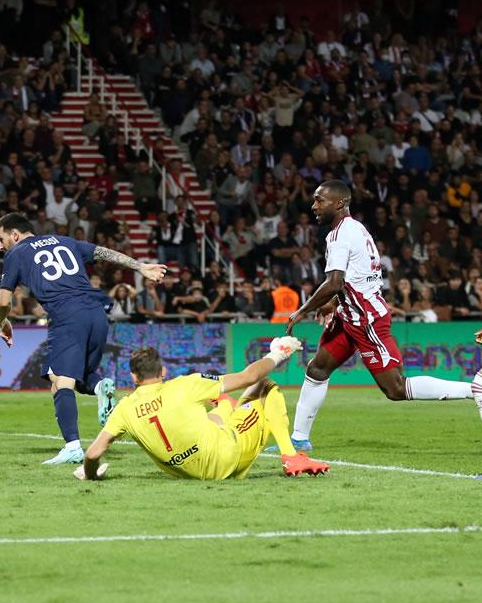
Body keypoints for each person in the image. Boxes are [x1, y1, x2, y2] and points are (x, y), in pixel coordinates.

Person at [281, 180, 482, 451]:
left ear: (339, 203)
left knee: (396, 389)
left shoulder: (340, 235)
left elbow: (335, 282)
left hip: (366, 319)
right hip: (349, 314)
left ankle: (474, 390)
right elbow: (356, 276)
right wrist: (334, 303)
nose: (313, 206)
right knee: (317, 369)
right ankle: (298, 440)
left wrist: (302, 311)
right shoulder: (356, 228)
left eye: (320, 200)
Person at [0, 212, 168, 465]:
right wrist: (141, 267)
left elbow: (4, 301)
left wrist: (3, 321)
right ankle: (99, 387)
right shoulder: (65, 241)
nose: (0, 245)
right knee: (69, 375)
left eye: (1, 238)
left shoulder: (16, 254)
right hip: (96, 314)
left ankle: (73, 447)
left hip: (66, 318)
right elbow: (105, 253)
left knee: (61, 380)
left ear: (15, 234)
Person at [76, 342, 329, 482]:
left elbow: (94, 452)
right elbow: (249, 376)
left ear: (133, 376)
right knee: (263, 386)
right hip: (227, 458)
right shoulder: (186, 384)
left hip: (193, 473)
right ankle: (290, 455)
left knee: (219, 410)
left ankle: (225, 405)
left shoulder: (124, 408)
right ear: (162, 372)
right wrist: (277, 354)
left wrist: (91, 474)